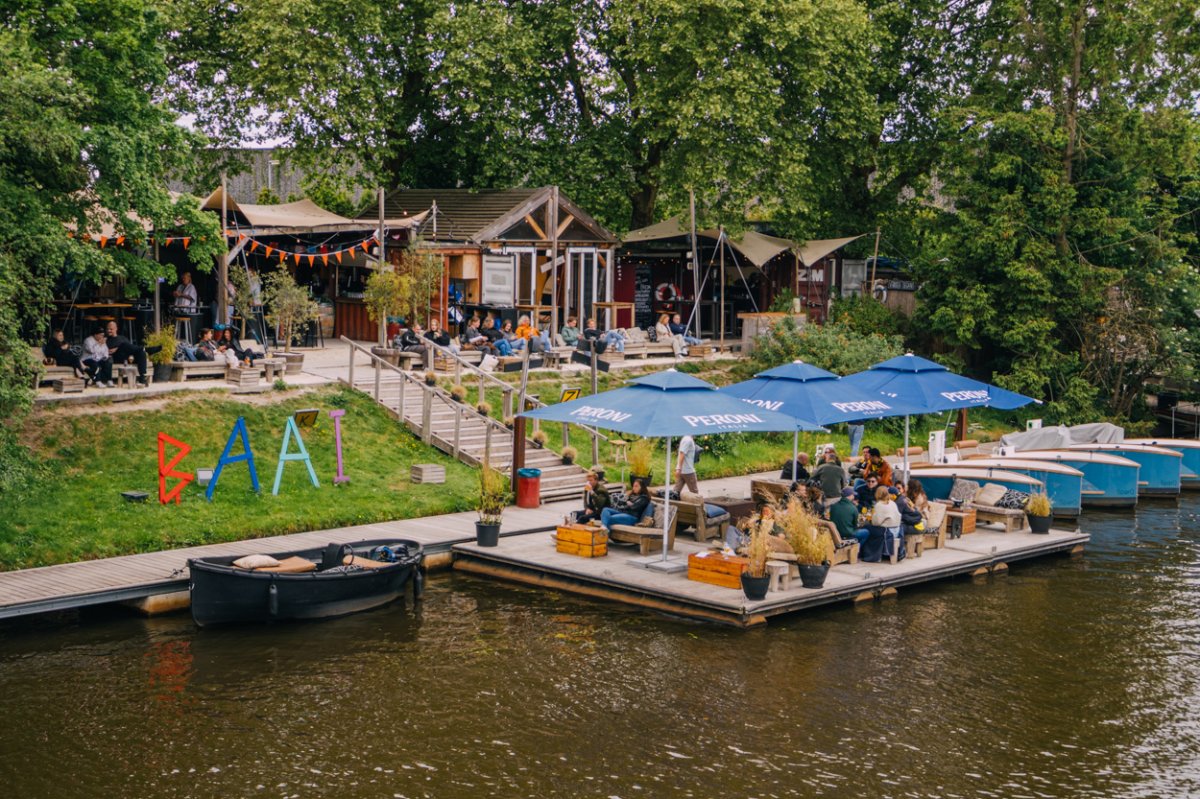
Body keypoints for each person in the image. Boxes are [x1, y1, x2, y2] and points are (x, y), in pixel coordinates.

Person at [104, 320, 161, 386]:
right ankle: (146, 349)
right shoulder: (106, 340)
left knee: (141, 353)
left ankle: (142, 378)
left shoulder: (123, 338)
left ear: (116, 328)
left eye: (111, 329)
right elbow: (103, 351)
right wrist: (116, 349)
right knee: (123, 345)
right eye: (107, 329)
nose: (109, 331)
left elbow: (130, 348)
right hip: (117, 357)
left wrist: (118, 348)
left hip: (128, 357)